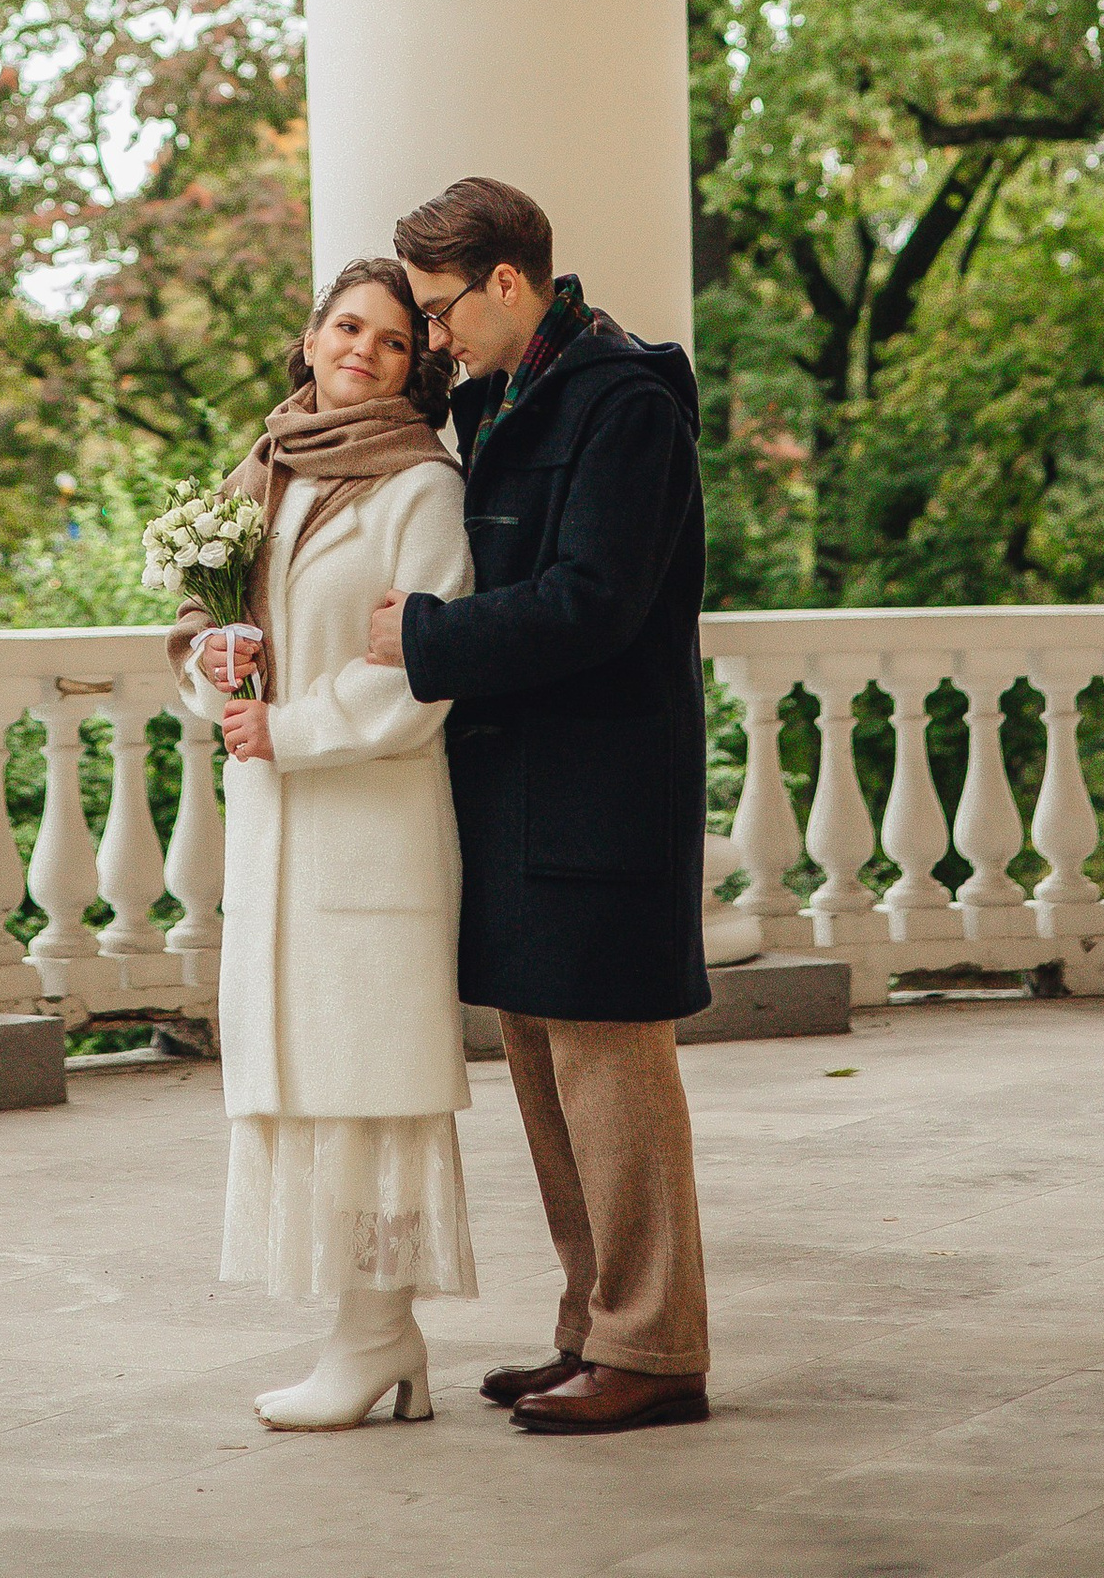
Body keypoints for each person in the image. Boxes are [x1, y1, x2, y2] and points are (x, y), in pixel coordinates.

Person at [368, 173, 714, 1438]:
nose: (436, 335)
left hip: (600, 792)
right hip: (515, 792)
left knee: (615, 1078)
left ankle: (655, 1348)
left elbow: (592, 603)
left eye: (445, 310)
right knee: (544, 1068)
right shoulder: (504, 391)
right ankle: (592, 1326)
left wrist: (423, 636)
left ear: (510, 283)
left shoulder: (620, 403)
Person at [171, 257, 476, 1432]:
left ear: (417, 367)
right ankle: (369, 1337)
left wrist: (287, 727)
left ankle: (378, 1336)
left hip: (372, 828)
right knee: (305, 1088)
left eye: (395, 341)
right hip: (278, 834)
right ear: (308, 339)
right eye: (348, 327)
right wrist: (209, 670)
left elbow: (423, 671)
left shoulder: (420, 488)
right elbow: (208, 629)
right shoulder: (269, 468)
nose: (365, 351)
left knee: (371, 1093)